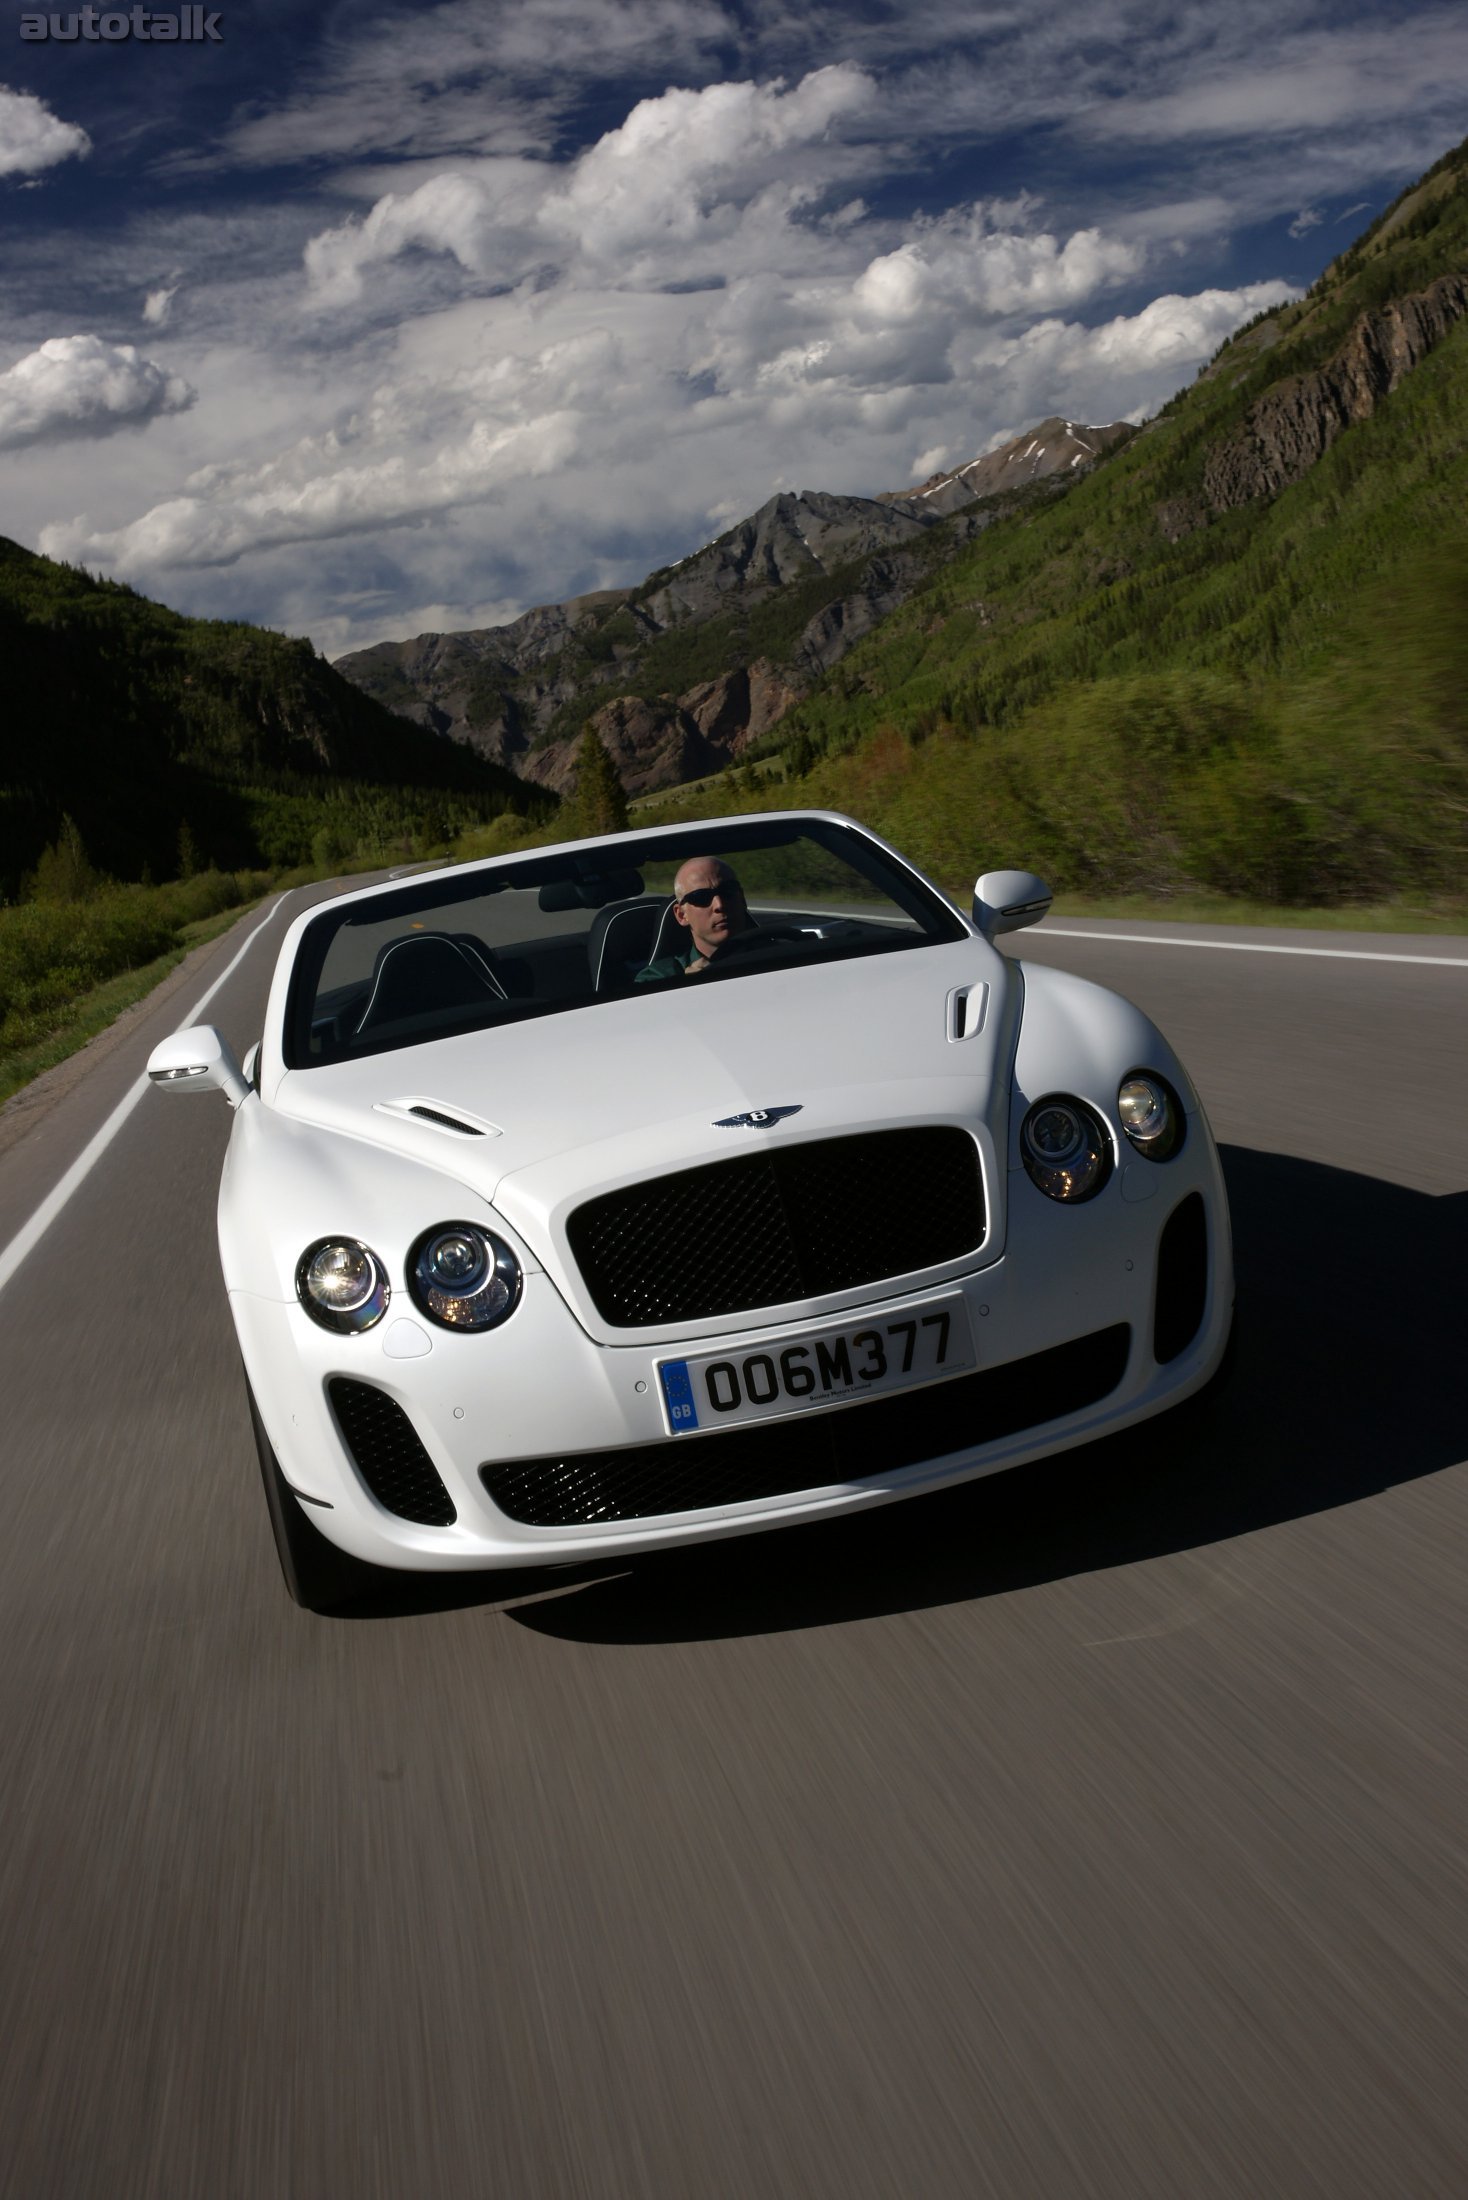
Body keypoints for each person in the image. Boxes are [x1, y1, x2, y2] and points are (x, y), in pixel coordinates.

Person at [634, 856, 755, 981]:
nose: (719, 905)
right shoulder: (658, 978)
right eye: (701, 897)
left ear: (742, 898)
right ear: (681, 915)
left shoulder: (774, 954)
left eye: (728, 891)